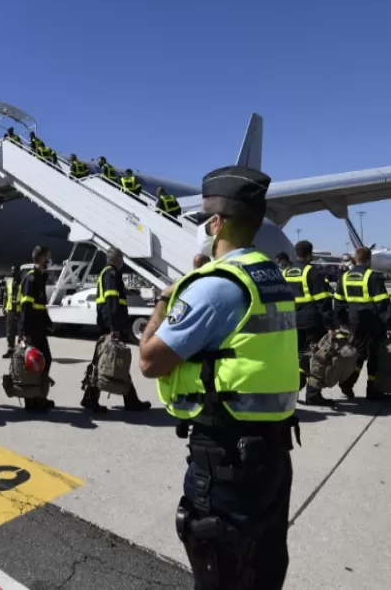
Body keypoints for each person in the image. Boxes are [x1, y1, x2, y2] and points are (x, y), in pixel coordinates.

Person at [138, 165, 300, 590]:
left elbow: (150, 360)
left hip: (226, 464)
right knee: (261, 573)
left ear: (216, 223)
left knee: (221, 576)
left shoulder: (212, 286)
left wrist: (165, 300)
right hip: (272, 454)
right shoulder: (271, 276)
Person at [80, 249, 151, 413]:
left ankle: (92, 398)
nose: (122, 261)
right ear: (116, 258)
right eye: (121, 258)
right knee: (114, 361)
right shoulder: (111, 274)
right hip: (111, 327)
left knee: (102, 362)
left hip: (108, 326)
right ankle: (129, 401)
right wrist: (114, 329)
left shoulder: (107, 273)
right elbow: (112, 302)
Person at [283, 240, 336, 406]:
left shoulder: (286, 272)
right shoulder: (312, 272)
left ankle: (292, 392)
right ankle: (313, 395)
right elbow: (323, 302)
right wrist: (330, 326)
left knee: (297, 357)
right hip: (311, 322)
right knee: (317, 358)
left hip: (291, 321)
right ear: (310, 254)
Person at [334, 246, 391, 401]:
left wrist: (341, 322)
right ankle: (372, 389)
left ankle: (348, 381)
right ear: (369, 259)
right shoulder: (372, 276)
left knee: (358, 353)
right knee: (374, 355)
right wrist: (389, 324)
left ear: (355, 258)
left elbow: (338, 302)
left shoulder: (345, 277)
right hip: (373, 321)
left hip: (355, 321)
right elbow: (382, 304)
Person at [18, 245, 55, 412]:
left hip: (39, 329)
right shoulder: (31, 279)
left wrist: (49, 322)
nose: (48, 260)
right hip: (32, 330)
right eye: (47, 257)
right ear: (40, 258)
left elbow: (40, 306)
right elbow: (26, 308)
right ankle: (33, 399)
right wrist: (25, 334)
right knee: (37, 363)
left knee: (43, 361)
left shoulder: (40, 278)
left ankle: (38, 397)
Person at [1, 264, 22, 359]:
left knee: (20, 332)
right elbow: (5, 295)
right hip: (10, 309)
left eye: (15, 270)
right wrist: (3, 306)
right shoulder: (8, 282)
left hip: (19, 310)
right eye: (12, 270)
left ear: (19, 272)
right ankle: (10, 350)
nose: (13, 272)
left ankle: (19, 351)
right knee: (10, 331)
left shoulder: (23, 283)